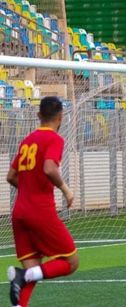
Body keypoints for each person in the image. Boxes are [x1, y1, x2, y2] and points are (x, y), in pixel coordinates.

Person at [6, 96, 79, 307]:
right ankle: (22, 275)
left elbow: (11, 176)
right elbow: (49, 168)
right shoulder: (55, 139)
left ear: (39, 115)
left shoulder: (27, 140)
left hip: (19, 213)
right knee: (71, 262)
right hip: (40, 211)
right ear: (61, 117)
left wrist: (28, 187)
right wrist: (66, 190)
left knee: (34, 269)